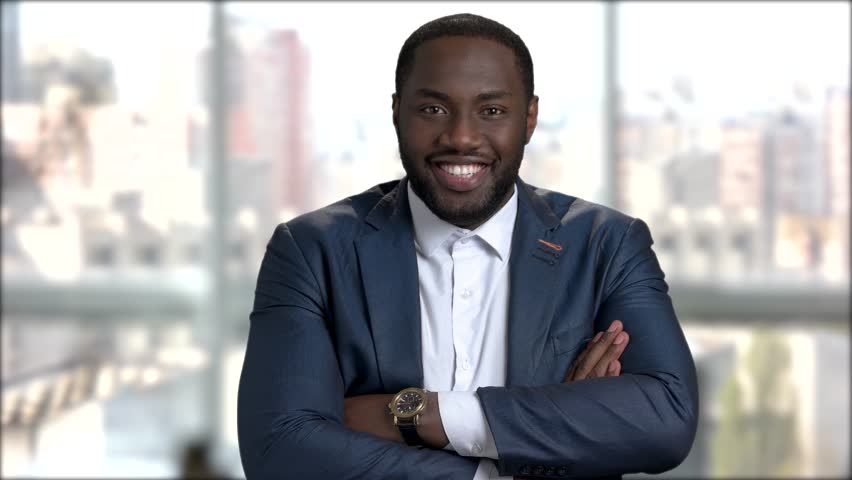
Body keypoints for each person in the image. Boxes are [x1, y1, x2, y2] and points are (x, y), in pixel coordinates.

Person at [237, 13, 698, 480]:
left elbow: (667, 418)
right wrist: (551, 430)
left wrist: (420, 416)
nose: (460, 136)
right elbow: (280, 451)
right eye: (433, 109)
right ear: (397, 112)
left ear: (530, 117)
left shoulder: (608, 243)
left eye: (491, 111)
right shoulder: (310, 251)